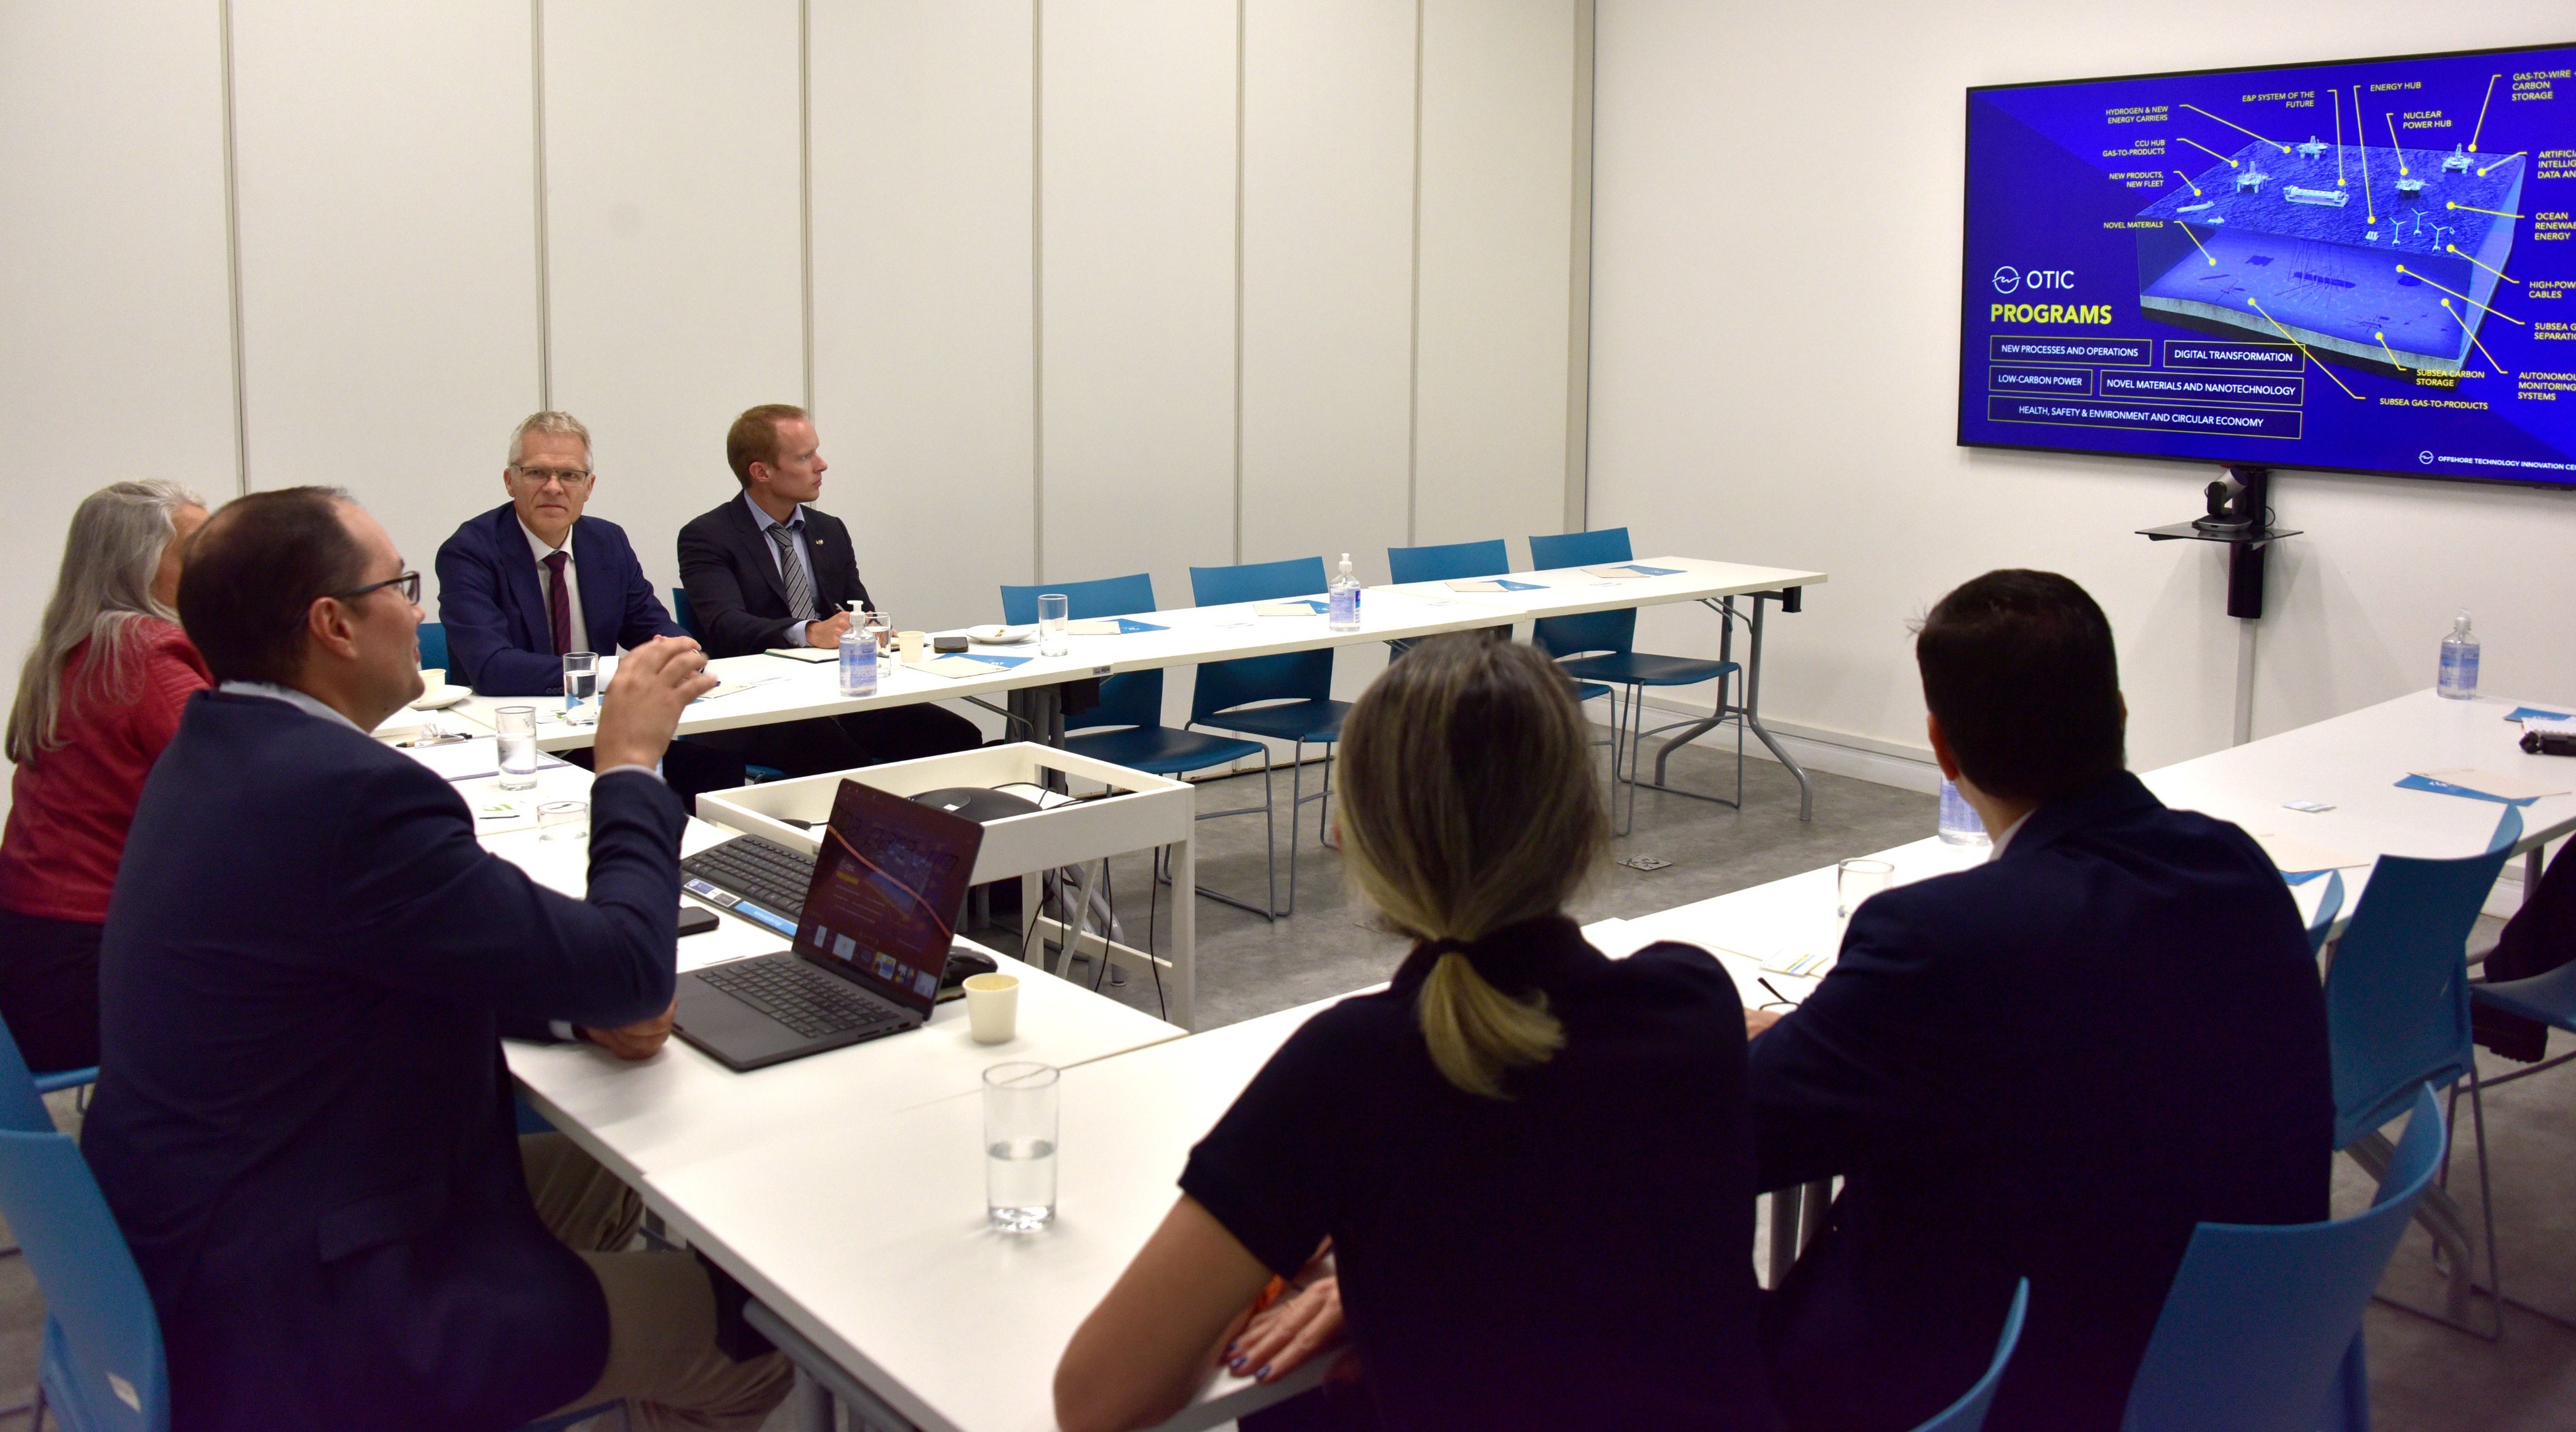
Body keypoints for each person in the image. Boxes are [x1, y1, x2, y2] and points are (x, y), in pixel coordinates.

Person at [84, 487, 790, 1432]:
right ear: (333, 624)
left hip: (212, 1225)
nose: (420, 614)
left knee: (606, 1170)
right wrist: (628, 764)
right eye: (399, 587)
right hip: (311, 1304)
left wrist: (568, 1011)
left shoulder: (216, 749)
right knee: (748, 1340)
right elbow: (630, 971)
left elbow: (373, 955)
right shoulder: (350, 796)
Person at [1054, 635, 1777, 1432]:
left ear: (1349, 834)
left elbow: (1096, 1401)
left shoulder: (1350, 1067)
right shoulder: (1692, 999)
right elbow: (1560, 1224)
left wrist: (1309, 1259)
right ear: (1585, 825)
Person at [1745, 570, 2332, 1432]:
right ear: (2120, 713)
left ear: (1943, 751)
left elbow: (1741, 1130)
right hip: (2241, 1363)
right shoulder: (2235, 867)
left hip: (2009, 1382)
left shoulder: (1939, 938)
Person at [0, 481, 208, 1072]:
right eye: (196, 553)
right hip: (91, 961)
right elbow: (243, 782)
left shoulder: (77, 643)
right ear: (140, 566)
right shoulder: (147, 652)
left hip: (35, 944)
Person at [435, 410, 745, 804]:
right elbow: (492, 668)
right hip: (514, 748)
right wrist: (616, 672)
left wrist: (681, 654)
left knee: (718, 772)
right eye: (536, 473)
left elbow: (650, 624)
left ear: (588, 486)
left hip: (596, 732)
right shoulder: (469, 551)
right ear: (510, 481)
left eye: (569, 475)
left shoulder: (607, 542)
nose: (553, 487)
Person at [675, 402, 979, 775]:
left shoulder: (829, 529)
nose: (822, 465)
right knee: (841, 761)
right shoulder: (708, 536)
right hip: (759, 705)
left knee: (957, 737)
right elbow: (725, 624)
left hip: (839, 692)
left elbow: (859, 610)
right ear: (761, 472)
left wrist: (876, 631)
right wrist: (808, 632)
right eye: (805, 457)